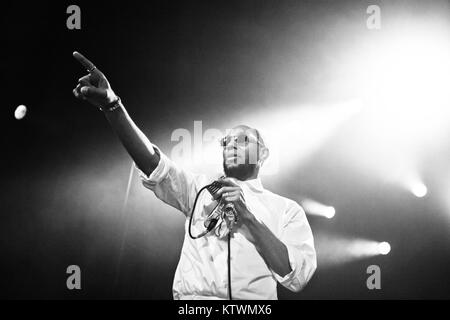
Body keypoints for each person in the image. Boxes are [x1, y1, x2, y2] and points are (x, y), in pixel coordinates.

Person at [72, 52, 317, 300]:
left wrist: (248, 218)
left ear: (262, 154)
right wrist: (113, 105)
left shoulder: (286, 210)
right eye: (226, 141)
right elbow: (153, 163)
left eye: (242, 140)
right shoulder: (199, 188)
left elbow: (297, 278)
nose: (231, 145)